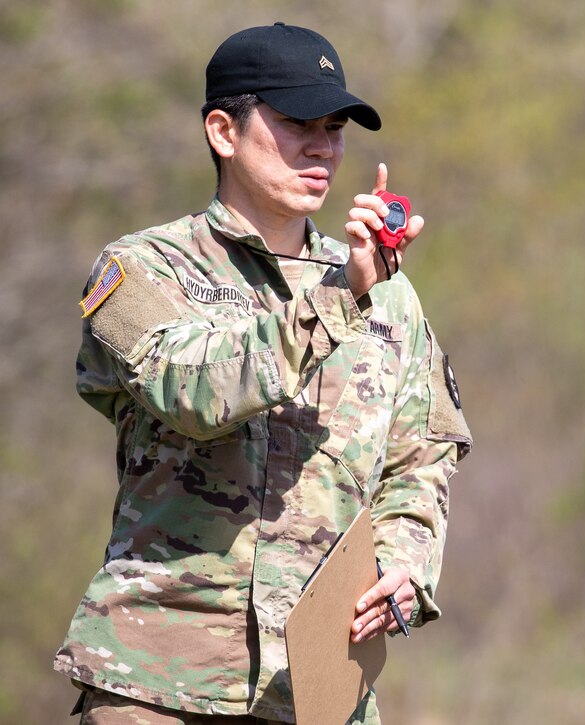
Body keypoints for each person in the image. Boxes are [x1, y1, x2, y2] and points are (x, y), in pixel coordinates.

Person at [54, 22, 471, 724]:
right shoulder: (140, 269)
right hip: (156, 684)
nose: (323, 146)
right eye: (296, 121)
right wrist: (342, 294)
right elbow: (192, 392)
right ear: (223, 130)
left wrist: (404, 565)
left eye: (335, 126)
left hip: (318, 689)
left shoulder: (387, 291)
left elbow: (422, 454)